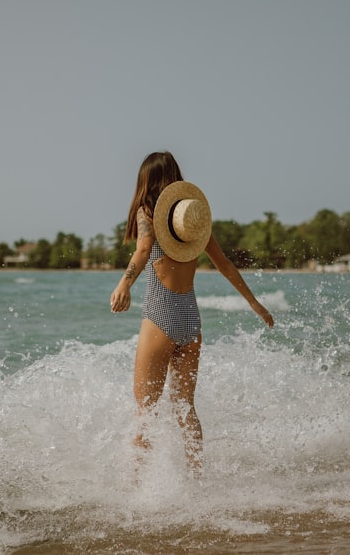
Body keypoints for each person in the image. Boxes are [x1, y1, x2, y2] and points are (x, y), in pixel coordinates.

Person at [110, 151, 274, 473]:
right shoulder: (190, 223)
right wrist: (255, 303)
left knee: (146, 414)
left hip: (162, 315)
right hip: (190, 320)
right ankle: (197, 483)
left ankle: (135, 492)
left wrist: (124, 284)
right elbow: (224, 264)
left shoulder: (148, 212)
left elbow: (144, 249)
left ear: (146, 180)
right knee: (185, 409)